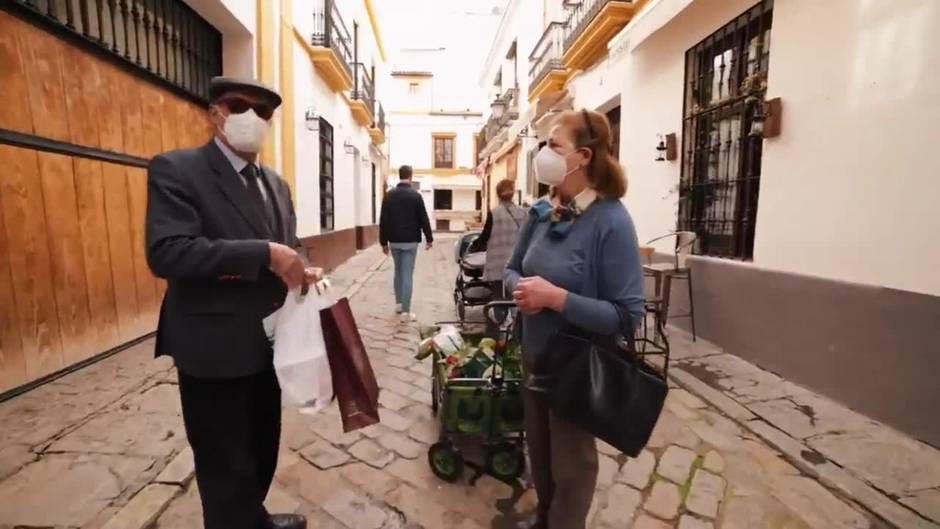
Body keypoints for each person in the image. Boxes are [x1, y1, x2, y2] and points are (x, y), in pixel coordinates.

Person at [146, 77, 320, 529]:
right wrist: (263, 253)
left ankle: (253, 519)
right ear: (215, 113)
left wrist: (301, 265)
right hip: (213, 348)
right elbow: (167, 252)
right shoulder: (177, 170)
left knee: (262, 449)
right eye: (239, 106)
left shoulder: (277, 185)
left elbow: (291, 245)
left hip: (269, 346)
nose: (252, 118)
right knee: (225, 467)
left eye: (263, 112)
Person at [505, 110, 645, 529]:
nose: (543, 153)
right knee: (540, 450)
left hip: (576, 367)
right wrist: (523, 292)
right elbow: (512, 269)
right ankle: (545, 516)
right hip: (535, 356)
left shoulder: (612, 221)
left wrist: (557, 298)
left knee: (572, 464)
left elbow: (627, 315)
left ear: (582, 156)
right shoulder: (542, 211)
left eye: (553, 145)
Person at [379, 165, 433, 322]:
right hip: (410, 242)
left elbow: (384, 220)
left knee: (398, 271)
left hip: (394, 240)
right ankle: (406, 313)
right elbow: (423, 218)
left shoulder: (389, 196)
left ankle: (398, 304)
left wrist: (383, 242)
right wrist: (429, 238)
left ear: (399, 175)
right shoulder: (415, 196)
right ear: (410, 176)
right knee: (407, 274)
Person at [468, 178, 527, 298]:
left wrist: (473, 247)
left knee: (498, 295)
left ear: (498, 195)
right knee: (514, 295)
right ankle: (514, 315)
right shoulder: (523, 213)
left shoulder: (494, 213)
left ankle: (499, 315)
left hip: (497, 262)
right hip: (516, 262)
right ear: (512, 194)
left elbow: (485, 237)